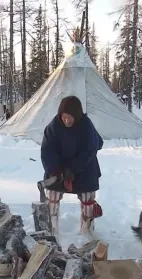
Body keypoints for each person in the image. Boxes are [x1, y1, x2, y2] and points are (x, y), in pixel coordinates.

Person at [40, 95, 104, 236]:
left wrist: (72, 169)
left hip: (84, 167)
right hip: (59, 168)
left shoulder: (86, 126)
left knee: (87, 197)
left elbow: (89, 151)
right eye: (64, 117)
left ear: (77, 115)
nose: (67, 120)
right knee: (52, 193)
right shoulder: (54, 126)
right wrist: (53, 170)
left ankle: (86, 229)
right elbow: (47, 150)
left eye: (70, 117)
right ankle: (52, 228)